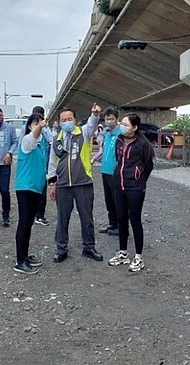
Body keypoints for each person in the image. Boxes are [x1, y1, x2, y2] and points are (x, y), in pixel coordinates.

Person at [48, 103, 103, 263]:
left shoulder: (83, 133)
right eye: (63, 120)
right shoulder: (56, 140)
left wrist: (94, 115)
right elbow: (52, 163)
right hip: (63, 185)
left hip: (83, 183)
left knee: (87, 217)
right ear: (59, 122)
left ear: (75, 119)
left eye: (69, 119)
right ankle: (61, 249)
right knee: (62, 218)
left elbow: (92, 124)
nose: (66, 122)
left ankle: (89, 247)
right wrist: (52, 184)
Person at [108, 113, 154, 273]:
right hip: (118, 185)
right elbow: (118, 160)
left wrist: (139, 180)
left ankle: (139, 257)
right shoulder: (119, 140)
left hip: (135, 187)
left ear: (135, 127)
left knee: (135, 219)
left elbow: (148, 166)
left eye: (126, 124)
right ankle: (123, 253)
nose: (122, 126)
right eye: (122, 123)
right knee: (121, 218)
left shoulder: (143, 144)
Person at [13, 113, 49, 274]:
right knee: (24, 223)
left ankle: (25, 256)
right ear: (29, 126)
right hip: (26, 188)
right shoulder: (27, 140)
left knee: (28, 224)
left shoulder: (43, 144)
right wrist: (39, 127)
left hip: (36, 188)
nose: (38, 125)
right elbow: (33, 138)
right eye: (35, 123)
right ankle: (20, 261)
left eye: (40, 122)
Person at [92, 107, 122, 236]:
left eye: (112, 118)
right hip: (105, 171)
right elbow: (104, 150)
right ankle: (112, 223)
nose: (109, 121)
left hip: (115, 172)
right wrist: (94, 159)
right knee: (109, 199)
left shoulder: (121, 134)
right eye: (107, 119)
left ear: (117, 119)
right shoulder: (108, 133)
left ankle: (120, 226)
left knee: (117, 200)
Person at [30, 105, 51, 226]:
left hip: (43, 166)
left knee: (42, 192)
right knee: (32, 191)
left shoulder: (46, 130)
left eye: (40, 115)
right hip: (32, 166)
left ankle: (40, 215)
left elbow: (50, 140)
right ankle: (32, 213)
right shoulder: (27, 129)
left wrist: (44, 127)